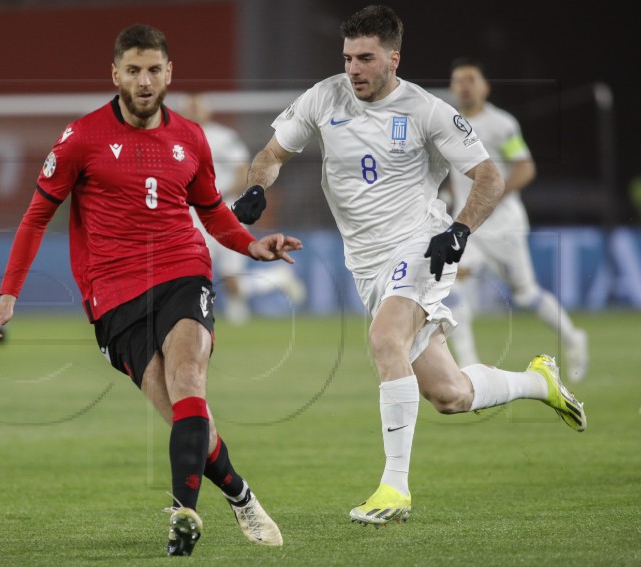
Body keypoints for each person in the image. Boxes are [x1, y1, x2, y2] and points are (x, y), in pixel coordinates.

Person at [232, 4, 587, 528]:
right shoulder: (324, 96)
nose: (353, 69)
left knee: (383, 339)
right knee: (449, 395)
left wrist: (459, 231)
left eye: (366, 58)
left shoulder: (427, 112)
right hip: (367, 264)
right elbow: (271, 153)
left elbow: (488, 178)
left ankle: (394, 488)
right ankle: (540, 382)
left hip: (421, 245)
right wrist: (257, 187)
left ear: (393, 58)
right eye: (348, 57)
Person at [0, 24, 295, 556]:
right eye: (133, 70)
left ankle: (182, 520)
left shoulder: (190, 138)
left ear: (169, 73)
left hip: (182, 270)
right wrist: (8, 296)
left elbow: (211, 211)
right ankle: (240, 494)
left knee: (190, 378)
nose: (144, 81)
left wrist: (250, 245)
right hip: (113, 294)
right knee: (184, 418)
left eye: (153, 70)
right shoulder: (81, 138)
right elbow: (35, 219)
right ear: (116, 74)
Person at [444, 58, 589, 382]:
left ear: (484, 87)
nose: (464, 85)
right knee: (453, 284)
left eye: (470, 79)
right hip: (468, 224)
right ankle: (469, 367)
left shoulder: (502, 124)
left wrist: (491, 196)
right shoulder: (447, 124)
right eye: (458, 80)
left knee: (525, 294)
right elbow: (456, 177)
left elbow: (525, 168)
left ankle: (573, 337)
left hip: (503, 225)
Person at [179, 93, 306, 325]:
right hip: (194, 215)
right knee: (204, 271)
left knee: (231, 278)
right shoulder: (178, 139)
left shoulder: (223, 137)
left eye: (198, 108)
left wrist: (217, 197)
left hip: (223, 210)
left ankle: (277, 279)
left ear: (207, 112)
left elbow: (241, 171)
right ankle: (239, 316)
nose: (194, 112)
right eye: (190, 108)